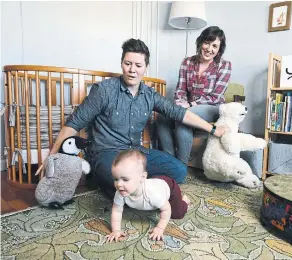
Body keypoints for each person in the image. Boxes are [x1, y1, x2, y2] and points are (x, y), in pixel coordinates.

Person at [44, 38, 228, 199]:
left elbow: (178, 112)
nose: (132, 70)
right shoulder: (103, 90)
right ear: (121, 63)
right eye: (128, 63)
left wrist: (213, 129)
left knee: (179, 171)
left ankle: (133, 186)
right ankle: (134, 187)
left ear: (145, 68)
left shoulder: (150, 94)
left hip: (135, 152)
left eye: (138, 65)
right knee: (114, 178)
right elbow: (75, 122)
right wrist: (53, 155)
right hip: (106, 153)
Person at [156, 26, 232, 165]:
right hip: (188, 106)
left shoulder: (225, 65)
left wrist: (189, 105)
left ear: (219, 49)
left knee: (183, 117)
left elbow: (215, 96)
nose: (209, 48)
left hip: (212, 107)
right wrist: (179, 102)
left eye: (215, 46)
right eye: (207, 43)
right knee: (162, 117)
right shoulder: (187, 62)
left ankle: (181, 164)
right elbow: (180, 89)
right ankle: (170, 161)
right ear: (200, 42)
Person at [105, 149, 190, 243]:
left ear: (142, 178)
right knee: (156, 204)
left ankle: (185, 200)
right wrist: (116, 230)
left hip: (169, 186)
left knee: (177, 214)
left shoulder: (153, 193)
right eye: (116, 179)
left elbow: (166, 209)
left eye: (125, 179)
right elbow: (117, 210)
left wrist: (160, 228)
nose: (119, 184)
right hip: (153, 182)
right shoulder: (120, 192)